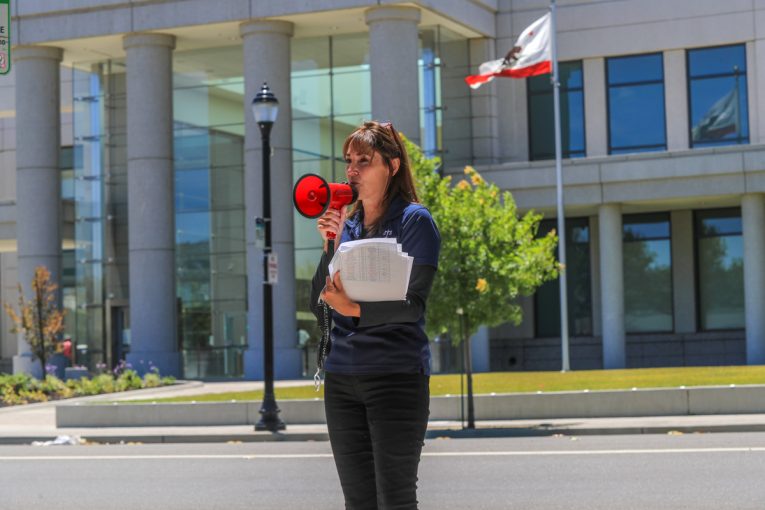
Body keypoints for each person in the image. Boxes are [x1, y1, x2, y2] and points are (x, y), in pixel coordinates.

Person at [310, 120, 441, 509]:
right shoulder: (347, 226)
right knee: (358, 502)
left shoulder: (415, 221)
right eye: (348, 161)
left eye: (364, 161)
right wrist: (329, 244)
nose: (352, 171)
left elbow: (413, 305)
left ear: (392, 166)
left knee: (395, 500)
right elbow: (318, 302)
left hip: (395, 377)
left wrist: (354, 309)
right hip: (342, 380)